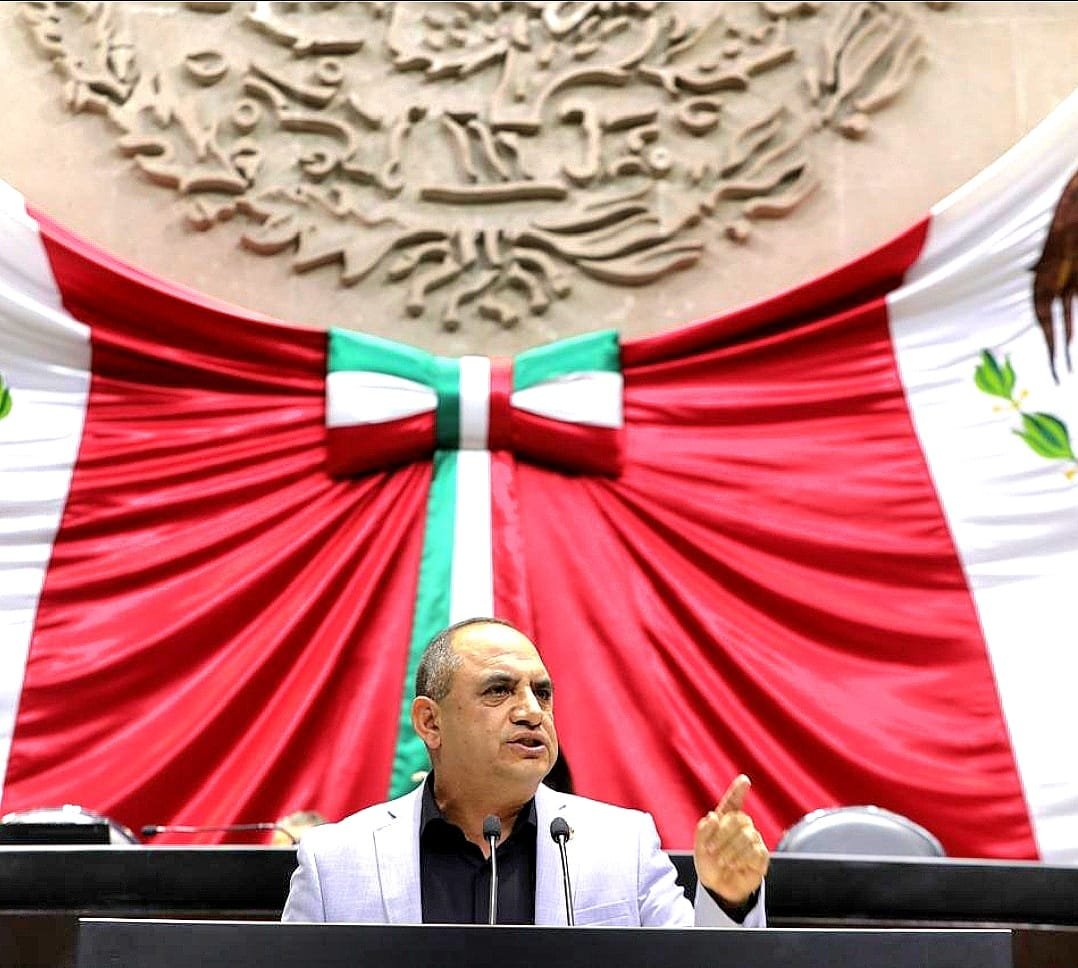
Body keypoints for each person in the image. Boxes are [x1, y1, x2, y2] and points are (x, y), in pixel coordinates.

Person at [282, 617, 768, 926]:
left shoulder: (624, 845)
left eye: (543, 692)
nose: (532, 712)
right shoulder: (334, 862)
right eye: (499, 690)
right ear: (430, 722)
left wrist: (729, 901)